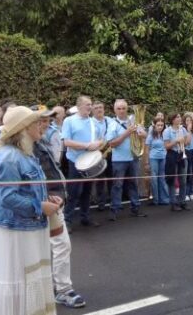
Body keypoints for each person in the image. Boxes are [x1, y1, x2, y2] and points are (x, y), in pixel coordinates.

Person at [0, 106, 60, 314]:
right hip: (17, 229)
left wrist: (46, 199)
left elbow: (26, 190)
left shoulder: (25, 154)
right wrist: (40, 206)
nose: (42, 126)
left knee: (32, 277)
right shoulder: (10, 157)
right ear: (23, 128)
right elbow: (8, 198)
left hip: (30, 225)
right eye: (36, 122)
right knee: (22, 279)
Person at [32, 106, 86, 309]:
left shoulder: (41, 142)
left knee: (59, 245)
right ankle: (61, 290)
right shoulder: (32, 147)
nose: (45, 124)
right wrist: (51, 198)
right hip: (46, 205)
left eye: (47, 120)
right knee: (57, 246)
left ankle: (59, 289)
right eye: (41, 121)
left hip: (52, 203)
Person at [62, 96, 103, 230]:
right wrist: (86, 146)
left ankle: (85, 217)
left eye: (90, 104)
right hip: (75, 161)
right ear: (78, 106)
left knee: (87, 191)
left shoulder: (94, 122)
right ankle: (66, 220)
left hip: (90, 162)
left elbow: (100, 140)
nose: (90, 107)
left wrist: (99, 144)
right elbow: (66, 142)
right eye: (87, 105)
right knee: (73, 192)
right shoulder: (69, 121)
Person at [104, 99, 148, 220]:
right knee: (117, 185)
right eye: (119, 108)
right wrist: (127, 133)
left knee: (133, 184)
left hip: (133, 157)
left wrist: (142, 134)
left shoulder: (133, 120)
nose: (122, 111)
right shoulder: (112, 124)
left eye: (123, 108)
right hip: (119, 160)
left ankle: (136, 208)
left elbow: (145, 135)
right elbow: (112, 144)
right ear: (115, 110)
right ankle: (114, 211)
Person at [163, 113, 190, 211]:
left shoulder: (183, 129)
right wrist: (176, 141)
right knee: (172, 180)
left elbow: (187, 143)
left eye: (179, 117)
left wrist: (189, 131)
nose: (180, 119)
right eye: (177, 117)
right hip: (172, 156)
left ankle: (182, 201)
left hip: (182, 154)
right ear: (173, 119)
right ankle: (173, 203)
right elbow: (166, 146)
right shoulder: (167, 131)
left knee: (183, 180)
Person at [91, 102, 112, 211]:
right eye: (96, 108)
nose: (99, 110)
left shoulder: (109, 120)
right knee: (100, 179)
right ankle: (101, 203)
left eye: (100, 107)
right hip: (98, 153)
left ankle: (113, 201)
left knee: (111, 177)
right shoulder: (90, 123)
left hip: (110, 152)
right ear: (92, 110)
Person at [146, 119, 169, 206]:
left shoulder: (165, 135)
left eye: (161, 125)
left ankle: (164, 199)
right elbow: (147, 149)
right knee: (154, 179)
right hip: (153, 158)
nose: (160, 127)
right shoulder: (151, 135)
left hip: (163, 157)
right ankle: (156, 199)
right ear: (154, 125)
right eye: (158, 125)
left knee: (162, 178)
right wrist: (147, 162)